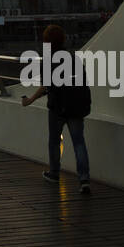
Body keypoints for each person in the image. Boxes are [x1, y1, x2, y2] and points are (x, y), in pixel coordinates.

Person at [21, 23, 91, 193]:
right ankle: (84, 179)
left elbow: (46, 86)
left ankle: (54, 173)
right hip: (76, 106)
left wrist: (29, 100)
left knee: (54, 141)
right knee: (79, 142)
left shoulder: (48, 60)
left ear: (47, 42)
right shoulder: (73, 57)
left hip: (58, 107)